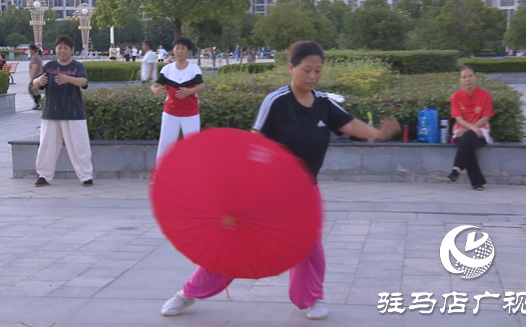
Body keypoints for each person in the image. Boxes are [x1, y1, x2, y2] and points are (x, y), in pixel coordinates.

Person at [160, 41, 400, 320]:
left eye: (318, 71)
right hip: (265, 192)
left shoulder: (324, 105)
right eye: (306, 69)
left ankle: (312, 299)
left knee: (309, 246)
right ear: (291, 68)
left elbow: (349, 124)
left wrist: (376, 133)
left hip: (303, 193)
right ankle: (189, 293)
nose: (312, 76)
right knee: (234, 243)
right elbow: (254, 141)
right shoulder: (277, 101)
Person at [31, 35, 93, 188]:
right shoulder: (50, 66)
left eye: (66, 48)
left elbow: (84, 82)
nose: (62, 51)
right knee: (47, 145)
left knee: (79, 145)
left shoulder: (77, 67)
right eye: (60, 48)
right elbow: (36, 81)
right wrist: (38, 82)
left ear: (71, 50)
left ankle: (86, 176)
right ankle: (43, 175)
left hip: (74, 113)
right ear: (55, 49)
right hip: (52, 112)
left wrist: (69, 79)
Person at [150, 36, 205, 160]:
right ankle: (161, 177)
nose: (180, 51)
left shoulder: (194, 69)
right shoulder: (167, 69)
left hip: (190, 114)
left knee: (193, 147)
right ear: (173, 50)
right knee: (165, 146)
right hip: (171, 113)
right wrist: (155, 90)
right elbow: (155, 85)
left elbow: (201, 86)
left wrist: (189, 91)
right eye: (177, 48)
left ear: (188, 52)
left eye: (183, 48)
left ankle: (194, 177)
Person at [447, 65, 494, 191]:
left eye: (470, 76)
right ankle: (477, 182)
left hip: (480, 131)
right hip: (461, 131)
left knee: (467, 139)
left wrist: (472, 129)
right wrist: (471, 129)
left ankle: (457, 168)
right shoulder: (455, 96)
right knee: (467, 143)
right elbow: (458, 119)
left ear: (475, 77)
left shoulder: (485, 95)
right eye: (464, 77)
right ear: (460, 81)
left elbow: (485, 117)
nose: (468, 79)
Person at [28, 43, 44, 110]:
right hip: (38, 77)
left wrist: (32, 79)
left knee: (32, 89)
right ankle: (39, 104)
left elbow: (34, 68)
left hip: (36, 77)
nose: (28, 51)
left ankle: (39, 104)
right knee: (34, 90)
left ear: (32, 50)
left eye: (29, 49)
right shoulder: (37, 56)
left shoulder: (35, 57)